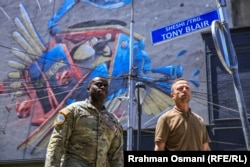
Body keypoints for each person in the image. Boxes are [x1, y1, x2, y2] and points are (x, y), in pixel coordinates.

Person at [45, 76, 124, 167]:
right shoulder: (73, 111)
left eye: (105, 86)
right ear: (88, 89)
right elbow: (57, 143)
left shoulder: (113, 120)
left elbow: (116, 155)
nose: (102, 87)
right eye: (98, 84)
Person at [154, 78, 210, 151]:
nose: (184, 90)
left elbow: (205, 148)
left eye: (187, 88)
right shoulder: (165, 119)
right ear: (172, 95)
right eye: (180, 88)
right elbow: (159, 148)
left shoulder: (199, 120)